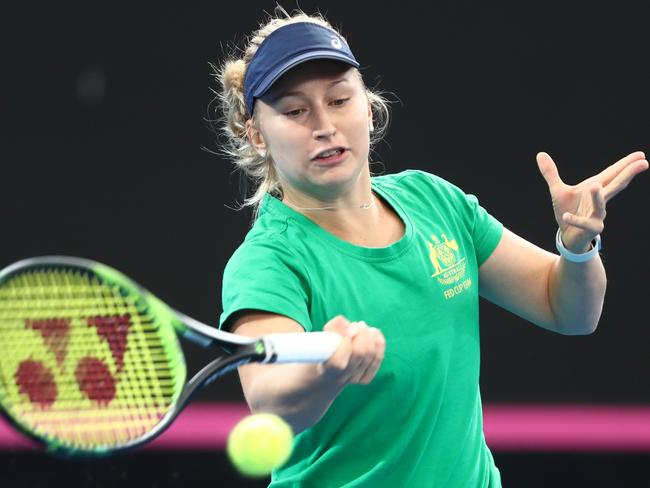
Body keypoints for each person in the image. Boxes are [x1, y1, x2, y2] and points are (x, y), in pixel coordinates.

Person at [212, 8, 648, 487]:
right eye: (295, 111)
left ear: (366, 104)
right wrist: (328, 373)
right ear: (256, 134)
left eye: (339, 100)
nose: (324, 125)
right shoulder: (267, 261)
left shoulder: (435, 202)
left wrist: (578, 246)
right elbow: (271, 402)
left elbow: (568, 310)